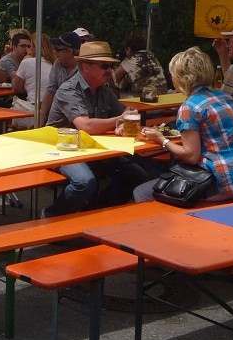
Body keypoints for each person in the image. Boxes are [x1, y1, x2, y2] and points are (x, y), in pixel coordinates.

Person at [134, 47, 233, 202]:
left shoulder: (190, 107)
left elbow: (191, 156)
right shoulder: (226, 98)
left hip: (219, 183)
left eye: (173, 74)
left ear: (182, 77)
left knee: (141, 192)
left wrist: (161, 139)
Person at [45, 40, 158, 215]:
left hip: (93, 147)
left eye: (111, 66)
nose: (109, 71)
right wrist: (119, 120)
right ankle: (52, 216)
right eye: (104, 66)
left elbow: (123, 114)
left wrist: (123, 120)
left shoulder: (104, 90)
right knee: (84, 182)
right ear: (86, 67)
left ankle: (97, 212)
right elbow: (85, 126)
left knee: (140, 176)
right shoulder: (69, 90)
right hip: (62, 148)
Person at [11, 33, 55, 128]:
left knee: (9, 111)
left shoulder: (27, 62)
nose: (28, 49)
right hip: (52, 112)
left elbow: (16, 88)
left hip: (34, 110)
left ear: (36, 47)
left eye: (30, 46)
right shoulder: (55, 64)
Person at [40, 31, 82, 121]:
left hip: (80, 116)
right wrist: (41, 117)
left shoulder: (84, 69)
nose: (54, 52)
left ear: (69, 52)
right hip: (59, 116)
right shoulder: (58, 63)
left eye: (57, 49)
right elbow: (51, 90)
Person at [113, 32, 168, 96]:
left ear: (129, 49)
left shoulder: (130, 59)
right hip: (163, 92)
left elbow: (114, 78)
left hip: (146, 95)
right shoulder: (152, 57)